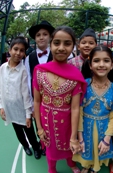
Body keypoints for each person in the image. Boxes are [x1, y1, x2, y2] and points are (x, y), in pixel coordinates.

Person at [33, 26, 87, 173]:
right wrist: (39, 128)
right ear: (50, 44)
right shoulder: (40, 70)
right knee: (50, 147)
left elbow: (75, 108)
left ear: (73, 46)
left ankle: (71, 163)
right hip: (46, 120)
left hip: (67, 122)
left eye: (67, 44)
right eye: (56, 43)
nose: (61, 48)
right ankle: (52, 169)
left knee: (69, 145)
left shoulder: (76, 75)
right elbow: (37, 101)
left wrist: (74, 136)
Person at [72, 45, 113, 173]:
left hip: (104, 130)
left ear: (112, 64)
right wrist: (79, 138)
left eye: (106, 60)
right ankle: (86, 166)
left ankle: (94, 167)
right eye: (96, 60)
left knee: (99, 149)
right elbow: (79, 113)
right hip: (85, 129)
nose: (101, 64)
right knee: (86, 149)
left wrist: (107, 139)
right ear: (90, 65)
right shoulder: (84, 85)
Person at [0, 36, 41, 159]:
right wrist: (1, 106)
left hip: (22, 109)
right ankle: (25, 146)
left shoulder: (23, 71)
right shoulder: (3, 67)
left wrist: (27, 114)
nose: (18, 53)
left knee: (29, 131)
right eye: (16, 49)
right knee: (18, 131)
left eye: (22, 50)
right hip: (9, 108)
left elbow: (26, 94)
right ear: (9, 50)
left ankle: (36, 147)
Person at [25, 20, 55, 156]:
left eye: (45, 34)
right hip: (37, 99)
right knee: (40, 123)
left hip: (54, 98)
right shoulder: (29, 58)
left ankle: (54, 146)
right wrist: (30, 103)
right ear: (35, 38)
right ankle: (42, 145)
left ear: (50, 37)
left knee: (54, 122)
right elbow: (27, 82)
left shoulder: (56, 55)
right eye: (38, 35)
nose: (41, 37)